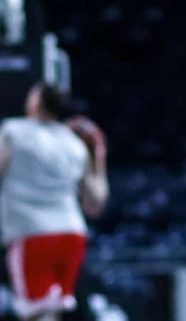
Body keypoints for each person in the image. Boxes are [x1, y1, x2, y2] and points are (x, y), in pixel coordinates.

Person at [0, 83, 109, 321]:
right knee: (53, 312)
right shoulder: (74, 142)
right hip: (72, 235)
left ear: (35, 102)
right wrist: (99, 158)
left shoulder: (14, 131)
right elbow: (95, 202)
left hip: (32, 233)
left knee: (36, 313)